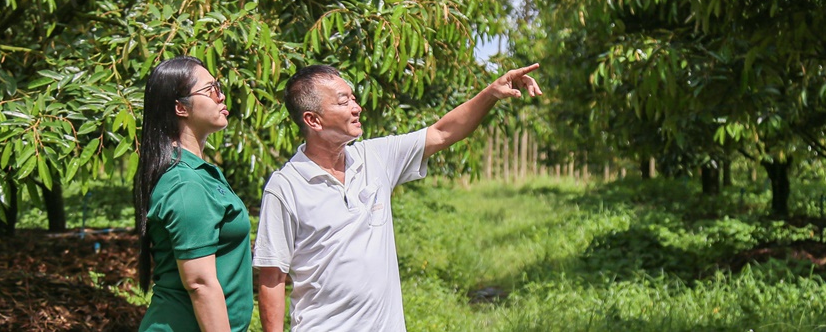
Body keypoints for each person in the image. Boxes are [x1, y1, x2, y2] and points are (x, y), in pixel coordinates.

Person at [253, 63, 542, 332]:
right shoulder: (285, 187)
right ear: (313, 120)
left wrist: (491, 92)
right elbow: (272, 278)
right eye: (344, 102)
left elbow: (442, 133)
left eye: (353, 98)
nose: (357, 107)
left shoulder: (374, 157)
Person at [134, 56, 253, 332]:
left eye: (219, 87)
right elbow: (200, 284)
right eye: (210, 90)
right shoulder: (184, 182)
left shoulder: (200, 172)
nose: (221, 96)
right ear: (180, 107)